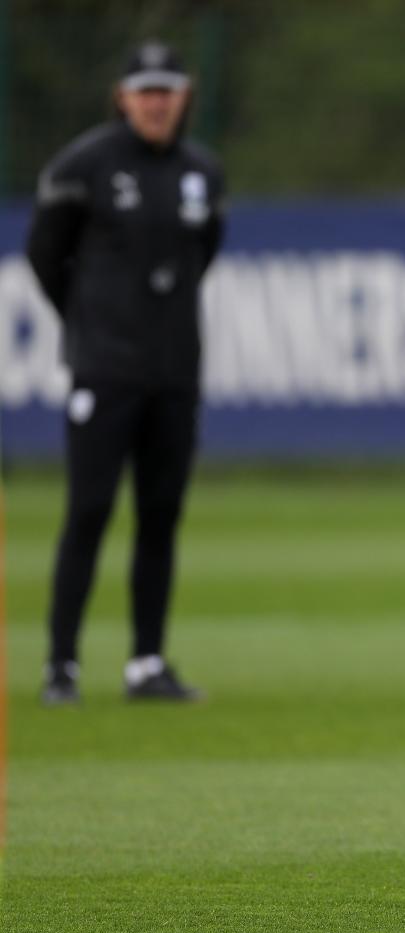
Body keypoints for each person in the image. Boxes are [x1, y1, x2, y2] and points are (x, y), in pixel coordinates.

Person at [26, 41, 225, 704]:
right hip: (105, 369)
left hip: (175, 372)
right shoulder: (86, 164)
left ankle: (146, 662)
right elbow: (45, 253)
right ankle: (62, 665)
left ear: (185, 96)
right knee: (88, 511)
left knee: (161, 514)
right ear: (123, 97)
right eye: (146, 90)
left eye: (168, 89)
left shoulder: (203, 172)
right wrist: (88, 321)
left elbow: (205, 255)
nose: (157, 102)